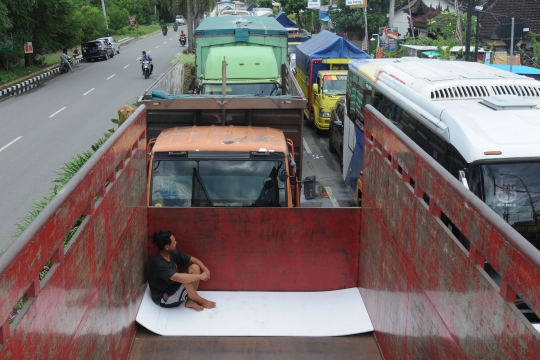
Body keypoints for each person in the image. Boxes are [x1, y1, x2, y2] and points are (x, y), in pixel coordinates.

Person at [148, 229, 216, 311]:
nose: (176, 242)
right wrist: (201, 276)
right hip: (164, 298)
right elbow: (179, 278)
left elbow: (192, 259)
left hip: (172, 286)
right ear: (167, 247)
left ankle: (190, 301)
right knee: (186, 283)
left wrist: (205, 269)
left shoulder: (171, 252)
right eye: (173, 242)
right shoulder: (159, 263)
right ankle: (201, 301)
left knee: (195, 267)